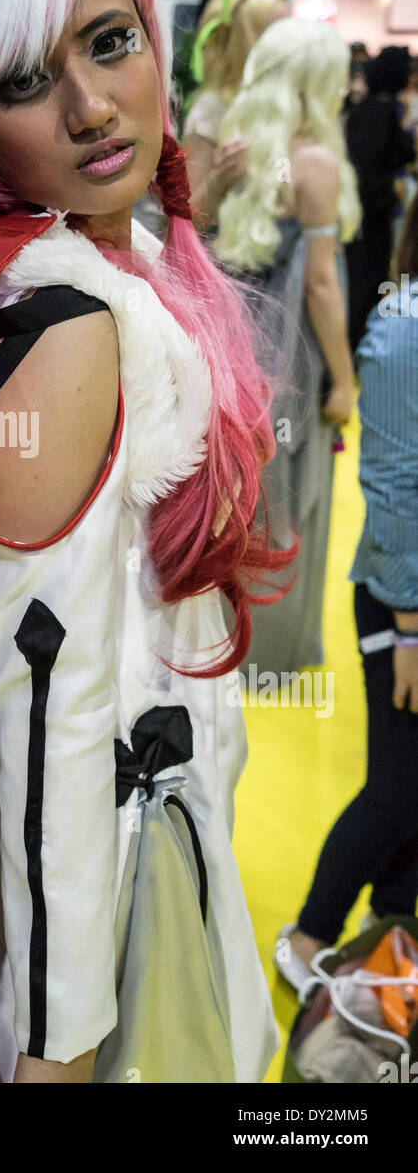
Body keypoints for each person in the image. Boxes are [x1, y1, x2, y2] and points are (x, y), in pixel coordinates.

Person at [0, 0, 294, 1083]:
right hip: (102, 894)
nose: (92, 108)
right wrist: (55, 1040)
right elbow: (42, 715)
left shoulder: (107, 270)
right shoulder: (66, 322)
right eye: (26, 78)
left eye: (108, 42)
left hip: (156, 823)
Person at [277, 193, 418, 985]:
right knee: (398, 791)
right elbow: (394, 488)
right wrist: (408, 629)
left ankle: (392, 931)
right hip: (405, 602)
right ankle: (307, 936)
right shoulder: (403, 332)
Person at [213, 19, 359, 676]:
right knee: (289, 497)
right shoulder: (317, 162)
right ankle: (272, 653)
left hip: (240, 337)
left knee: (241, 490)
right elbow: (323, 283)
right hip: (296, 346)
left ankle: (224, 642)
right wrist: (345, 377)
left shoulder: (240, 148)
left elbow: (194, 224)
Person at [183, 0, 290, 233]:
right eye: (282, 34)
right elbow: (186, 221)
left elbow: (284, 195)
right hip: (227, 260)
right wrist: (219, 182)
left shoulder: (278, 104)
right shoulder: (213, 109)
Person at [345, 45, 415, 354]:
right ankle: (360, 341)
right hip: (373, 213)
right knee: (372, 277)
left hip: (363, 211)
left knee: (364, 276)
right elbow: (388, 157)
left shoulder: (367, 107)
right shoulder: (385, 110)